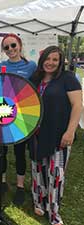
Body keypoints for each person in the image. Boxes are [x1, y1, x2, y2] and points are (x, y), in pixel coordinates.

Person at [29, 46, 82, 225]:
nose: (50, 63)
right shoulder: (35, 79)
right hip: (36, 134)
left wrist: (70, 131)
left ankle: (54, 213)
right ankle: (39, 201)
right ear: (42, 59)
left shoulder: (67, 78)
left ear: (60, 63)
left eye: (55, 60)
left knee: (56, 174)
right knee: (38, 170)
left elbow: (77, 105)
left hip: (59, 134)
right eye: (47, 58)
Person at [0, 33, 37, 205]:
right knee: (2, 150)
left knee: (20, 151)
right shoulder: (1, 66)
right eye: (6, 47)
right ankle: (3, 181)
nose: (11, 49)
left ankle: (20, 186)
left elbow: (35, 91)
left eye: (13, 45)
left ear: (19, 45)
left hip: (22, 116)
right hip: (3, 112)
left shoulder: (31, 66)